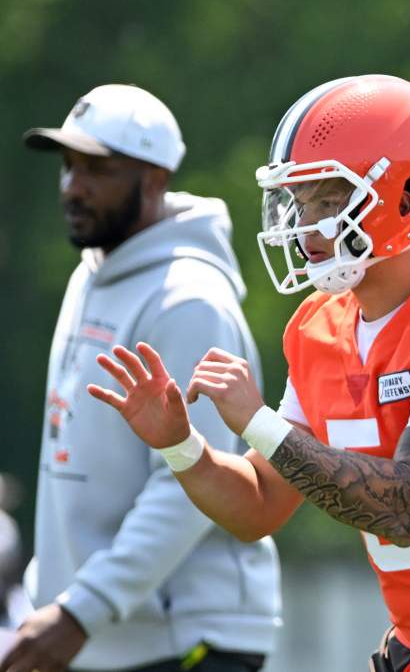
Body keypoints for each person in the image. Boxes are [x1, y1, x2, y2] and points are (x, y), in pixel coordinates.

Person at [88, 75, 410, 672]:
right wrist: (181, 447)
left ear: (407, 196)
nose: (306, 224)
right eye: (301, 201)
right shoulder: (316, 326)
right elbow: (259, 505)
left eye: (331, 201)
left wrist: (257, 421)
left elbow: (407, 506)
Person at [4, 85, 280, 672]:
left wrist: (81, 611)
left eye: (97, 170)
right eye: (69, 166)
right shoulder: (90, 275)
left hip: (186, 641)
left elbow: (188, 485)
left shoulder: (188, 301)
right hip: (101, 637)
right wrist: (52, 598)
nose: (72, 186)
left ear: (155, 179)